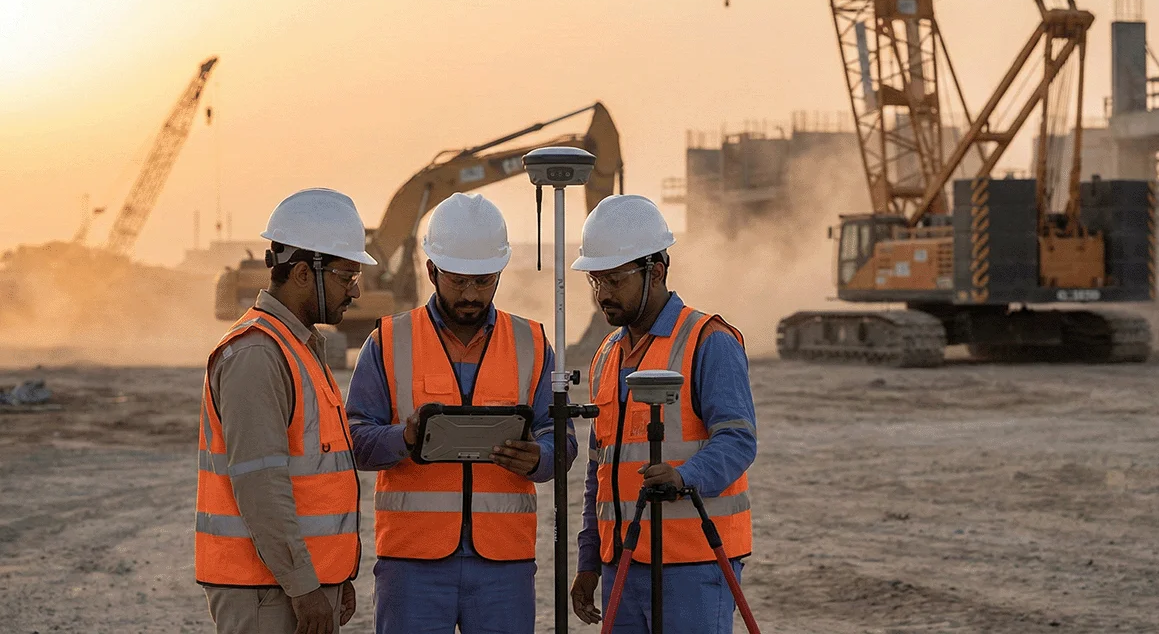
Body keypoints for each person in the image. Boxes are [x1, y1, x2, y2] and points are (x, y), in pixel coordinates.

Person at [347, 192, 578, 634]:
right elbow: (354, 439)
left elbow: (561, 440)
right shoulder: (388, 341)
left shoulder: (531, 343)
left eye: (484, 281)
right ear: (431, 269)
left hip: (504, 565)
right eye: (458, 280)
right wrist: (405, 439)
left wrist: (540, 457)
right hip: (412, 564)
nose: (471, 294)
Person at [568, 195, 756, 633]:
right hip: (623, 562)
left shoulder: (708, 340)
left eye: (614, 280)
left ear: (656, 270)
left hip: (694, 562)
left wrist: (685, 475)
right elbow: (600, 469)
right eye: (595, 280)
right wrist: (590, 560)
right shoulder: (606, 355)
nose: (603, 294)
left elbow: (738, 440)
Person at [197, 188, 373, 634]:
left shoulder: (298, 346)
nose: (354, 290)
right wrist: (304, 587)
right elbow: (261, 486)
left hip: (298, 584)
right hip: (268, 593)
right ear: (299, 273)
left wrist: (335, 578)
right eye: (345, 275)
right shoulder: (257, 353)